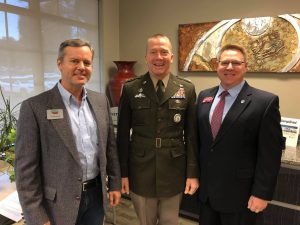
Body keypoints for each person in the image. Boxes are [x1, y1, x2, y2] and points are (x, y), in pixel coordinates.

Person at [15, 39, 121, 225]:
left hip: (96, 197)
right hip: (58, 204)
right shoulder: (35, 107)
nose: (81, 67)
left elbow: (110, 148)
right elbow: (25, 172)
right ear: (60, 64)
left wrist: (114, 184)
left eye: (87, 63)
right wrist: (37, 217)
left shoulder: (100, 101)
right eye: (74, 61)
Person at [196, 44, 284, 225]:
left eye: (236, 63)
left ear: (246, 66)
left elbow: (270, 155)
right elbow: (202, 143)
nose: (229, 67)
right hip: (207, 194)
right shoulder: (204, 96)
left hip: (241, 197)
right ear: (216, 66)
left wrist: (261, 194)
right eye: (225, 62)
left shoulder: (264, 102)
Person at [117, 34, 199, 225]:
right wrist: (123, 173)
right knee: (146, 221)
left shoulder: (186, 88)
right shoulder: (130, 88)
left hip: (174, 169)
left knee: (170, 222)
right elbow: (122, 136)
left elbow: (193, 136)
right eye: (153, 52)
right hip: (141, 169)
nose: (158, 57)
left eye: (164, 52)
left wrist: (192, 173)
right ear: (146, 57)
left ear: (171, 57)